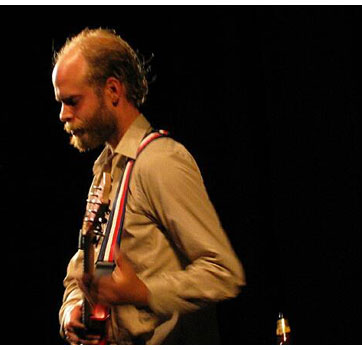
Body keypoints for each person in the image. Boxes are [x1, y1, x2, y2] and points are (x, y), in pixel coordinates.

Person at [53, 28, 245, 345]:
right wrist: (72, 309)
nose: (63, 114)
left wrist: (144, 292)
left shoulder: (161, 162)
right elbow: (80, 269)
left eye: (72, 101)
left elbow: (223, 273)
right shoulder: (105, 169)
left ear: (113, 90)